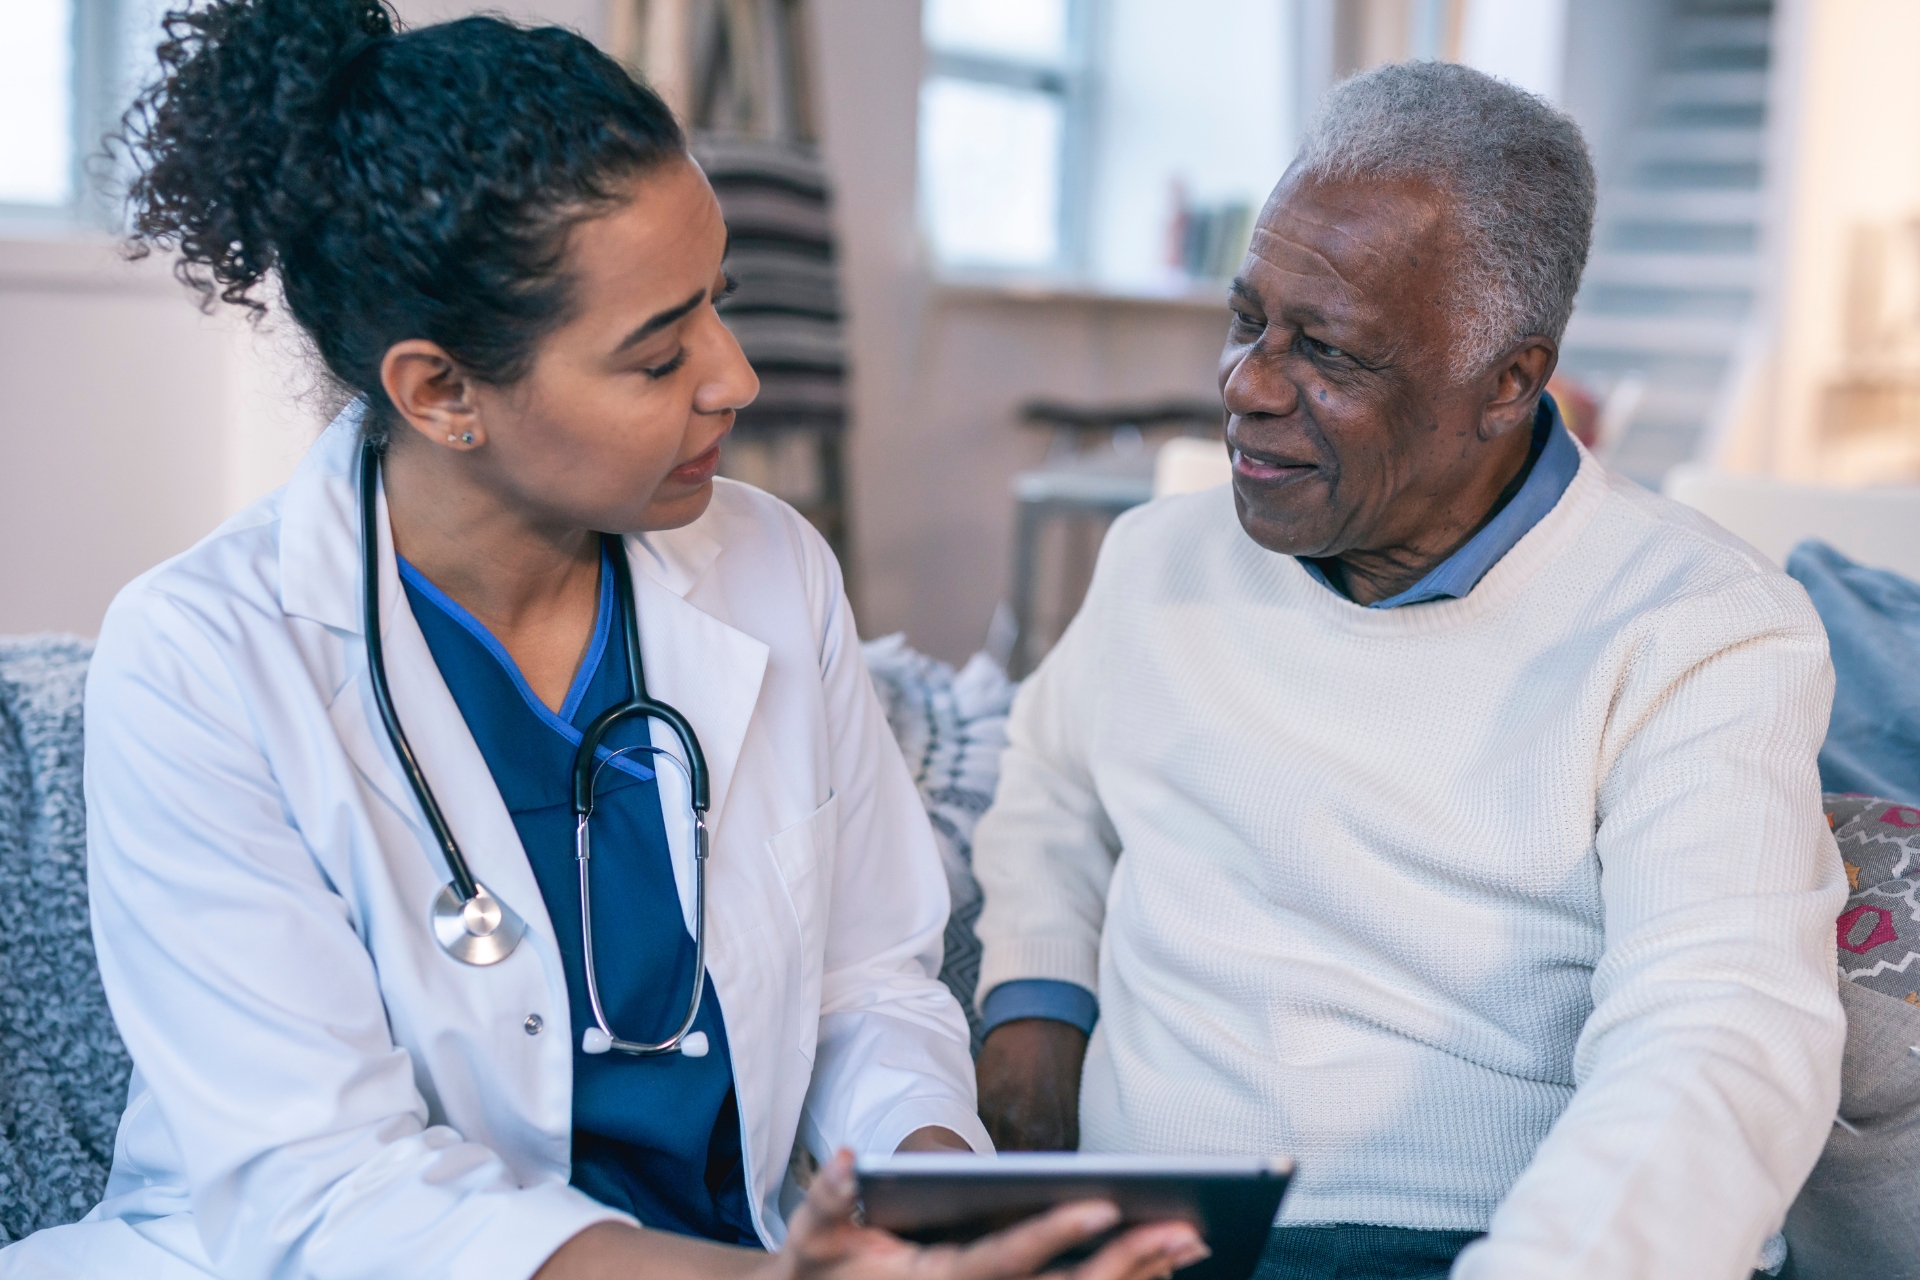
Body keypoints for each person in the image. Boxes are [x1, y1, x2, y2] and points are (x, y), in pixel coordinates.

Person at [0, 4, 1218, 1279]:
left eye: (719, 305)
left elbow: (869, 981)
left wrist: (942, 1218)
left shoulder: (770, 568)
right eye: (656, 356)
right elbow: (329, 1188)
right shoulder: (204, 657)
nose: (736, 377)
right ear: (441, 393)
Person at [970, 61, 1846, 1280]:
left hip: (1480, 1237)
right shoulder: (1158, 555)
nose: (1248, 384)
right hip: (1144, 1233)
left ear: (1510, 382)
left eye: (1327, 350)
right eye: (1246, 320)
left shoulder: (1704, 629)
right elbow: (1051, 789)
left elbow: (1720, 1032)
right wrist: (1033, 999)